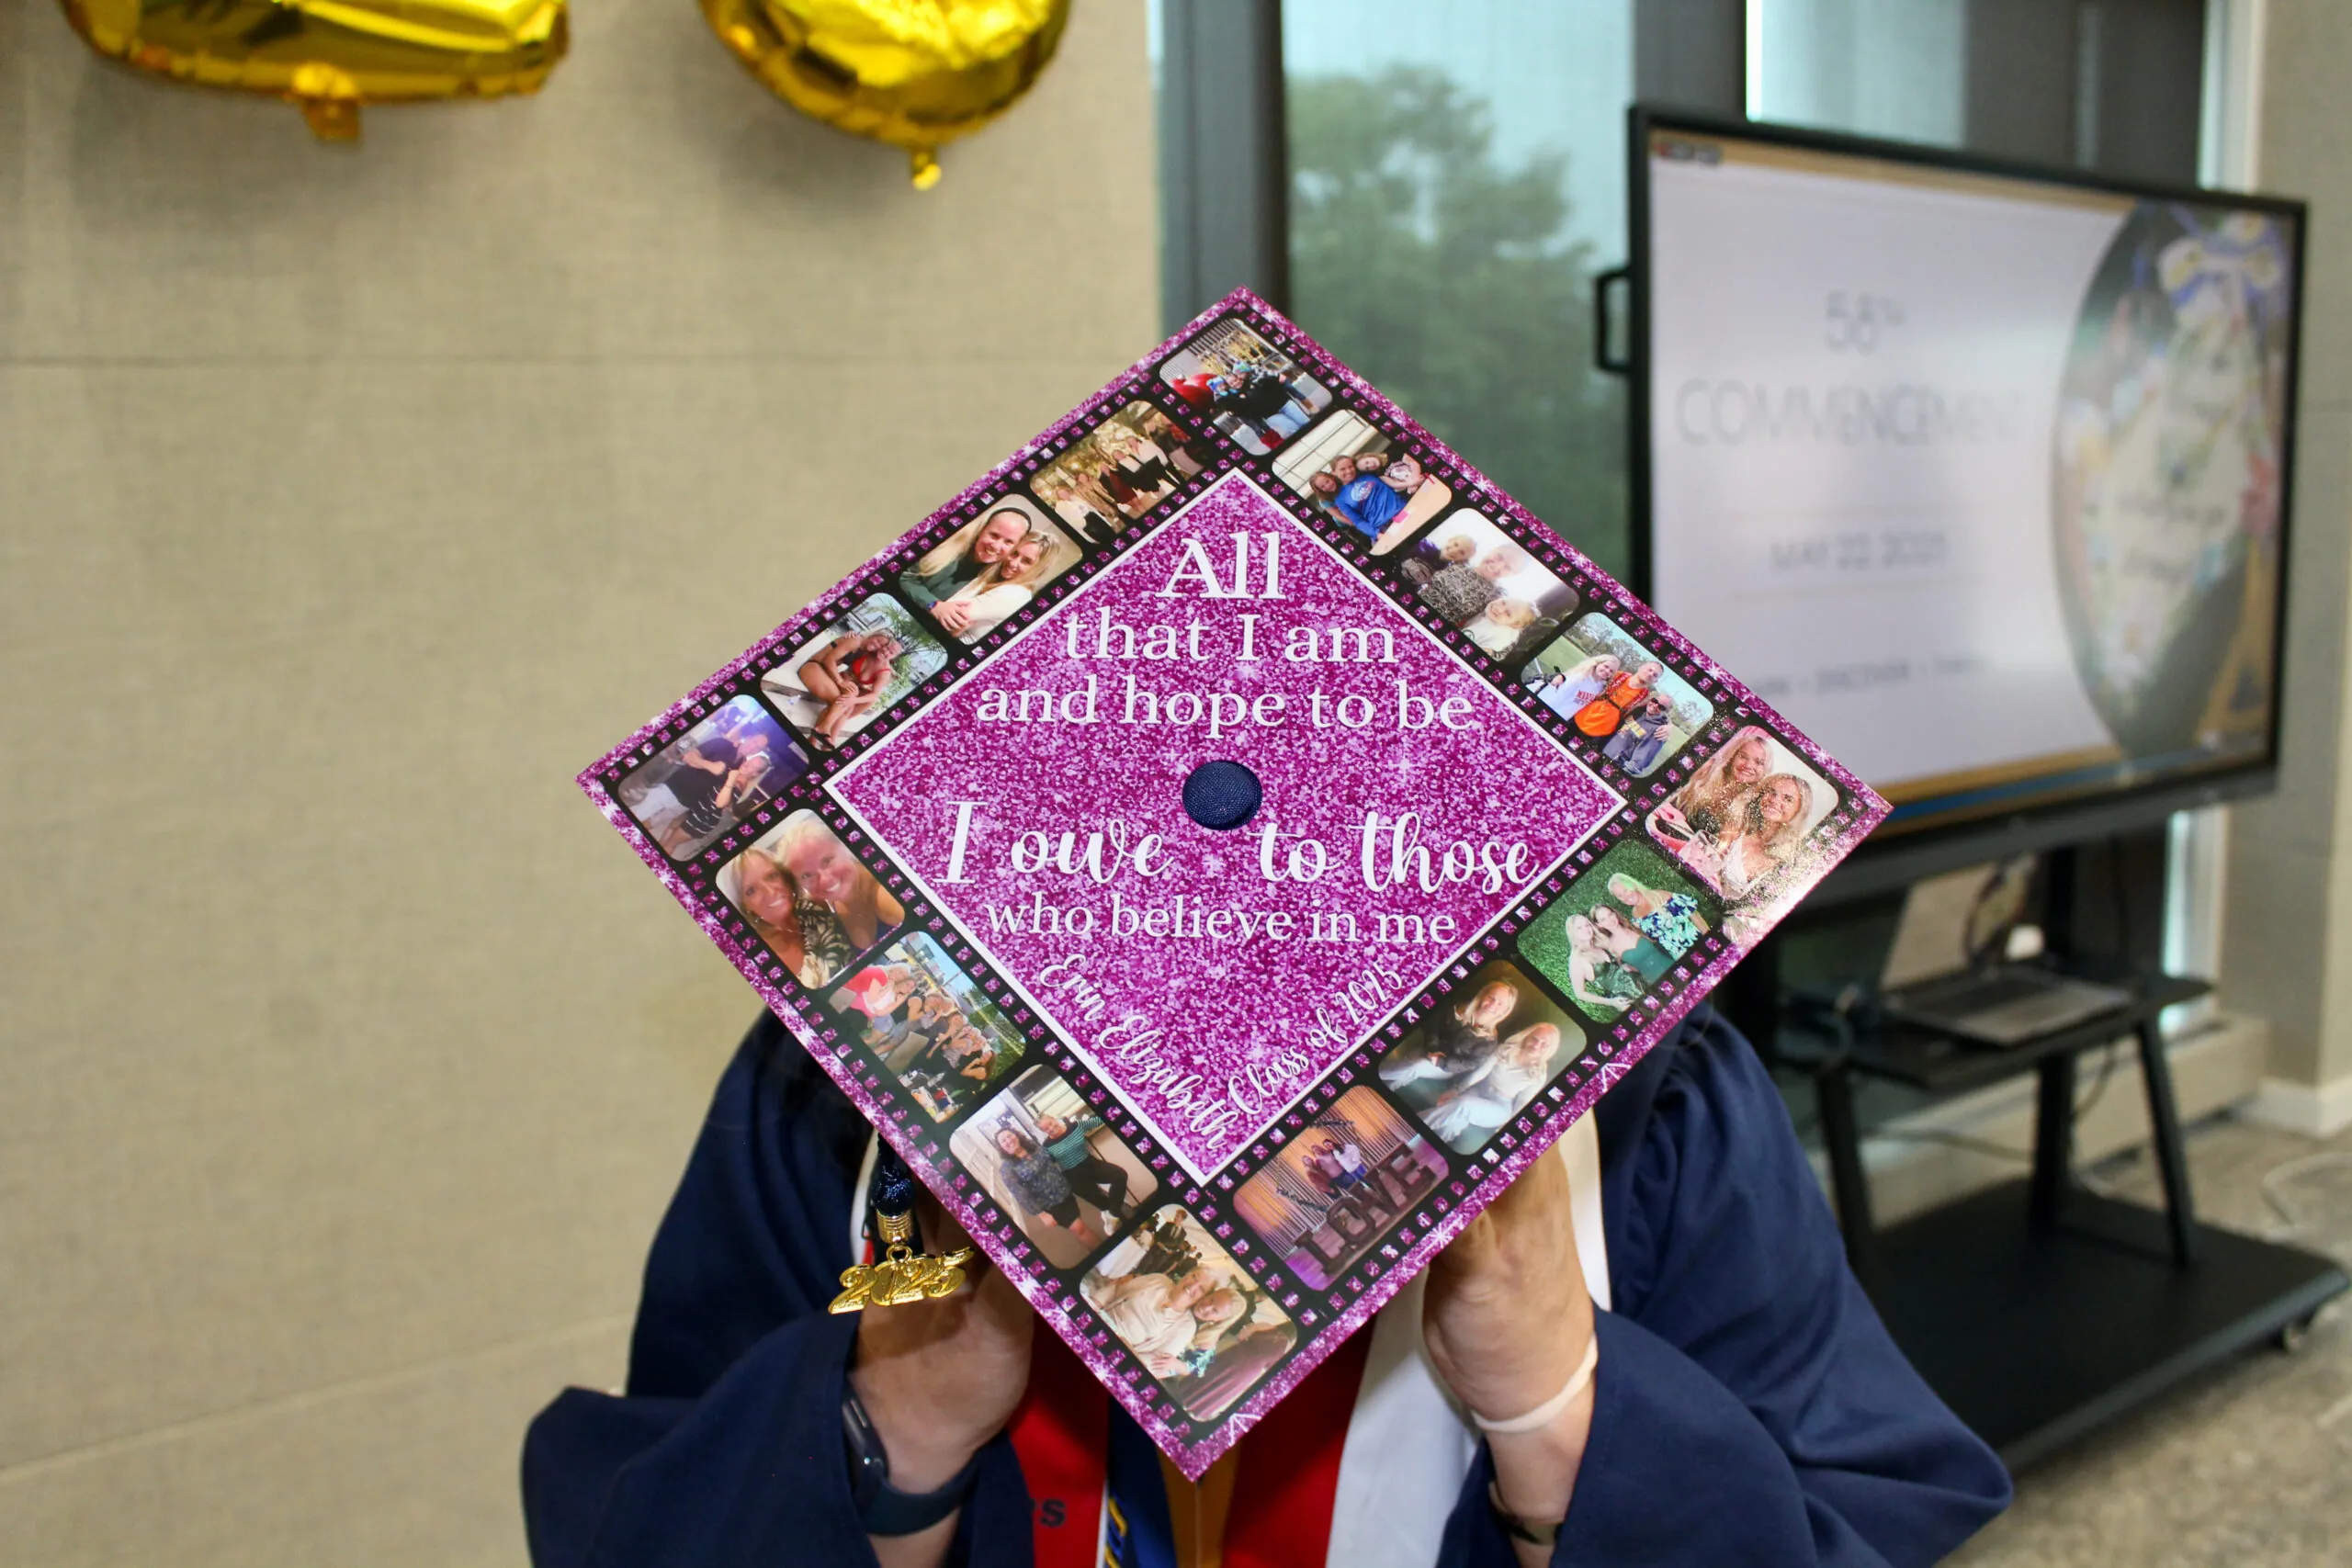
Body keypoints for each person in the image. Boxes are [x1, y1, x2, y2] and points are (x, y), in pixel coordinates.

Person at [523, 1001, 2007, 1567]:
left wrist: (1569, 1418)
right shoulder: (851, 1101)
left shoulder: (1639, 1120)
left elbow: (1855, 1520)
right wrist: (889, 1430)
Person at [771, 815, 905, 953]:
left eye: (827, 861)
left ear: (845, 846)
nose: (825, 880)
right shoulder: (822, 903)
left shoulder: (886, 898)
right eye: (806, 875)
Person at [1424, 1023, 1563, 1152]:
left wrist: (1507, 1130)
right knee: (1453, 1124)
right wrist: (1456, 1090)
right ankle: (1427, 1150)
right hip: (1480, 1091)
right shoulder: (1506, 1049)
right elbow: (1482, 1072)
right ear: (1527, 1036)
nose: (1537, 1045)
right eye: (1535, 1038)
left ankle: (1420, 1127)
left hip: (1500, 1107)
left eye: (1544, 1044)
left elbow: (1523, 1103)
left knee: (1464, 1104)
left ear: (1550, 1049)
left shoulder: (1538, 1074)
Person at [1686, 773, 1819, 900]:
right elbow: (1707, 864)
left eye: (1788, 799)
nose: (1774, 800)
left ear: (1799, 809)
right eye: (1771, 792)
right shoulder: (1738, 828)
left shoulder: (1790, 859)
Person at [729, 848, 851, 986]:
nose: (769, 892)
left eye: (771, 876)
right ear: (746, 906)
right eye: (751, 890)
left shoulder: (813, 906)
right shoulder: (755, 960)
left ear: (784, 876)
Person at [1380, 979, 1520, 1091]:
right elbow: (1433, 1026)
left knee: (1416, 1066)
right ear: (1483, 996)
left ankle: (1377, 1074)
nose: (1493, 1005)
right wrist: (1433, 1049)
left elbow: (1470, 1064)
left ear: (1504, 1012)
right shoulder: (1457, 1008)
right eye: (1492, 997)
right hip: (1430, 1048)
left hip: (1447, 1068)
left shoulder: (1489, 1040)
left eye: (1500, 1004)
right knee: (1409, 1065)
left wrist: (1441, 1061)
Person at [929, 531, 1054, 643]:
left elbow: (947, 613)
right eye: (1015, 553)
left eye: (1026, 561)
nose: (1013, 563)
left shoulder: (1016, 594)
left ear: (1038, 570)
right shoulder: (996, 577)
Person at [989, 1125, 1102, 1248]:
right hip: (1050, 1205)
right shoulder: (1007, 1169)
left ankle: (1089, 1247)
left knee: (1079, 1225)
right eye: (1003, 1141)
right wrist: (1042, 1214)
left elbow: (1052, 1159)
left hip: (1064, 1191)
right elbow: (1021, 1195)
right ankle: (1105, 1253)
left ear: (1016, 1135)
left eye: (1009, 1136)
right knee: (1079, 1228)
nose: (1008, 1141)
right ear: (1001, 1147)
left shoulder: (1033, 1146)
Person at [901, 510, 1029, 615]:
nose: (996, 546)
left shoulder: (995, 584)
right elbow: (904, 575)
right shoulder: (945, 543)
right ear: (982, 530)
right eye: (994, 535)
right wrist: (933, 604)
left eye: (1008, 542)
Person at [796, 629, 902, 747]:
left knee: (847, 702)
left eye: (883, 646)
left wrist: (855, 692)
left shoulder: (866, 651)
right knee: (841, 702)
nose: (879, 646)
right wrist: (840, 681)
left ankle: (817, 738)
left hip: (826, 673)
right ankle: (822, 731)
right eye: (878, 641)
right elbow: (829, 659)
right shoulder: (856, 641)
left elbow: (873, 691)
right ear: (873, 635)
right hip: (814, 666)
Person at [1035, 1111, 1134, 1223]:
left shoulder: (1075, 1126)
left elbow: (1096, 1122)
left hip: (1090, 1164)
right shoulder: (1047, 1146)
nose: (1051, 1128)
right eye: (1046, 1129)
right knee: (1104, 1205)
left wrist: (1117, 1112)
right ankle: (1121, 1222)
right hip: (1074, 1178)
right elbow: (1046, 1166)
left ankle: (1113, 1214)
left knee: (1120, 1176)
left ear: (1054, 1118)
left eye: (1050, 1123)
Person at [1421, 541, 1525, 627]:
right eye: (1499, 557)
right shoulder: (1461, 562)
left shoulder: (1498, 597)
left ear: (1512, 574)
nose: (1497, 567)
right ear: (1492, 550)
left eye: (1507, 568)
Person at [1562, 911, 1645, 1018]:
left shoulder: (1598, 943)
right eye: (1579, 928)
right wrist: (1611, 1002)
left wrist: (1625, 966)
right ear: (1572, 933)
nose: (1586, 930)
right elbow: (1580, 994)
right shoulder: (1576, 959)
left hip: (1641, 983)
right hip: (1626, 1000)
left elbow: (1617, 965)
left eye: (1587, 925)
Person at [1575, 660, 1664, 740]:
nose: (1650, 674)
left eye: (1655, 675)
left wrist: (1669, 726)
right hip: (1581, 716)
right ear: (1640, 667)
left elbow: (1660, 712)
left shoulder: (1645, 697)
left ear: (1655, 681)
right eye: (1650, 670)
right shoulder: (1616, 675)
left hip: (1600, 732)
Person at [1602, 693, 1677, 774]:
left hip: (1611, 765)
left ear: (1665, 711)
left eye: (1661, 707)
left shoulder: (1659, 730)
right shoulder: (1638, 710)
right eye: (1655, 701)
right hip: (1602, 749)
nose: (1655, 705)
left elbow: (1637, 764)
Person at [1536, 655, 1619, 721]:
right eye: (1606, 666)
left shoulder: (1600, 688)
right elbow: (1557, 696)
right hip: (1548, 713)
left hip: (1562, 719)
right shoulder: (1580, 677)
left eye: (1611, 671)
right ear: (1597, 664)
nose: (1607, 671)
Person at [1468, 598, 1537, 658]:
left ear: (1514, 625)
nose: (1499, 609)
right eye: (1503, 602)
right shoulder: (1485, 606)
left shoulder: (1499, 637)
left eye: (1508, 614)